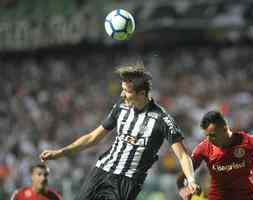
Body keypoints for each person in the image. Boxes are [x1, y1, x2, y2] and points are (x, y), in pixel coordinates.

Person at [40, 64, 198, 200]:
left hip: (127, 180)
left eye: (127, 91)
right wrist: (60, 153)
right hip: (102, 170)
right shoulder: (121, 107)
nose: (122, 94)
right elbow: (93, 137)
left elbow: (183, 156)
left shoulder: (162, 119)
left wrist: (191, 180)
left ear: (142, 93)